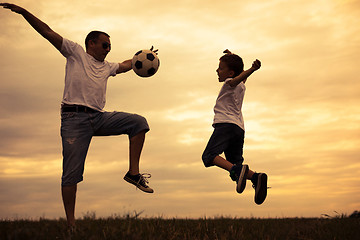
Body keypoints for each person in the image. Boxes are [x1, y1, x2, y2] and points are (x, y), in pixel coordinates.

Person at [0, 3, 154, 228]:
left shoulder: (107, 66)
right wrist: (24, 13)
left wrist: (144, 55)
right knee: (71, 175)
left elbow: (126, 64)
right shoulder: (75, 52)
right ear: (91, 43)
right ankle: (71, 225)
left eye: (110, 46)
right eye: (105, 44)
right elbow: (47, 31)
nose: (108, 49)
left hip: (99, 118)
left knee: (139, 123)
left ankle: (133, 173)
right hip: (74, 120)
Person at [202, 49, 268, 205]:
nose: (217, 70)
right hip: (238, 129)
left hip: (225, 125)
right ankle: (256, 177)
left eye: (220, 68)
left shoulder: (229, 83)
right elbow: (240, 77)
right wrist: (232, 58)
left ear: (230, 73)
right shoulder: (242, 86)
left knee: (209, 156)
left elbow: (235, 79)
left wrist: (252, 69)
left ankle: (237, 172)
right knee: (234, 162)